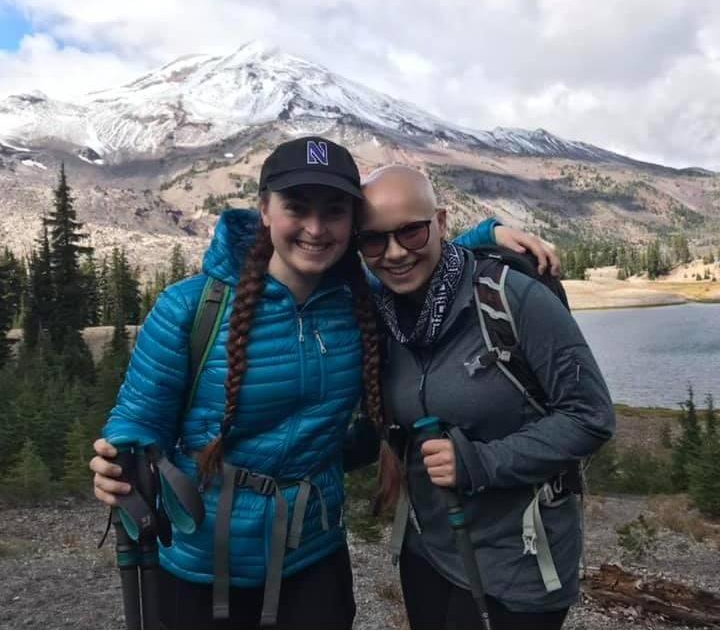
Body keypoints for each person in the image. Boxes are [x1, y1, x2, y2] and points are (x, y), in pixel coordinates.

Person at [90, 136, 559, 629]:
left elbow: (415, 257)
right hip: (202, 562)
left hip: (312, 558)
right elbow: (139, 420)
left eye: (334, 212)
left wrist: (488, 232)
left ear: (352, 223)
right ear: (265, 210)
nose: (316, 229)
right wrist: (119, 459)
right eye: (297, 208)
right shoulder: (190, 308)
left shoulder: (362, 298)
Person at [357, 166, 615, 630]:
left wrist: (480, 463)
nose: (394, 253)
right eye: (374, 241)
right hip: (429, 552)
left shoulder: (511, 297)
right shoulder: (386, 311)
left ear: (441, 222)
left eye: (412, 232)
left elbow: (590, 416)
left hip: (520, 566)